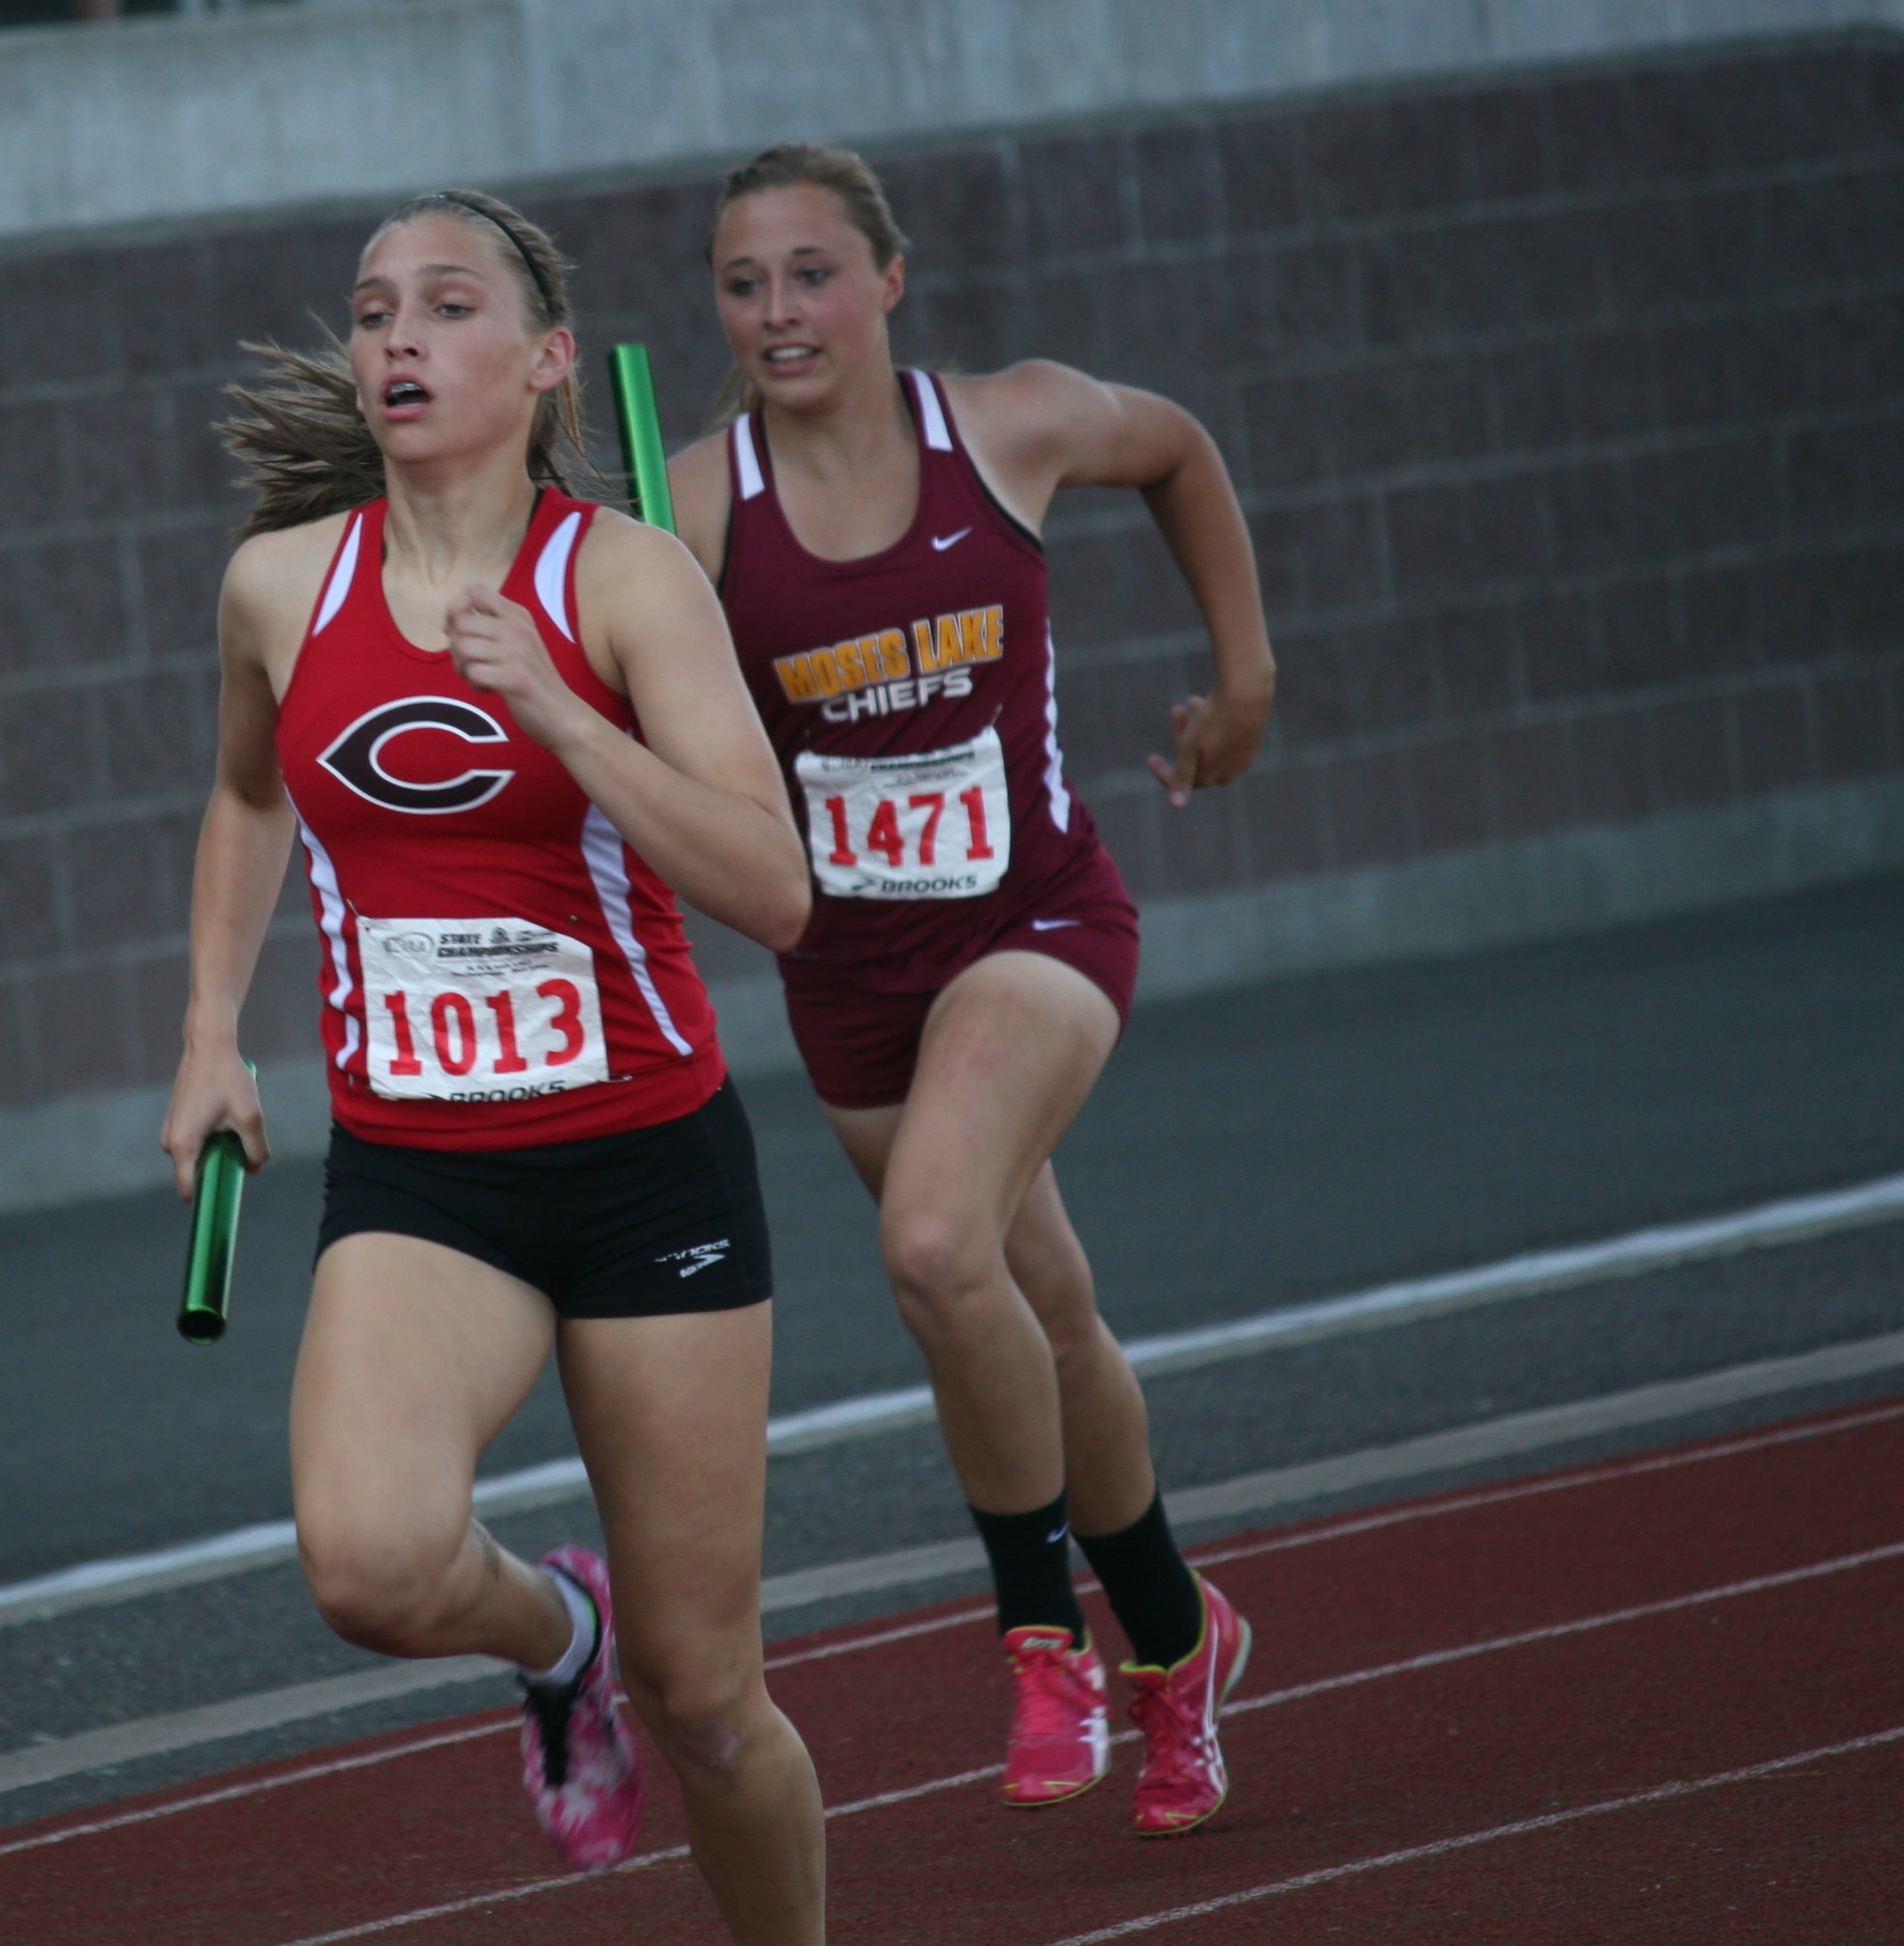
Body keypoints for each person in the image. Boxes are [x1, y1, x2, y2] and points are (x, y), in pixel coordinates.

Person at [166, 190, 826, 1941]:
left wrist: (558, 708)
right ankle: (560, 1634)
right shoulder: (278, 588)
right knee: (370, 1565)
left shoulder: (624, 581)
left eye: (446, 307)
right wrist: (210, 1036)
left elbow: (775, 889)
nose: (396, 338)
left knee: (709, 1700)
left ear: (545, 363)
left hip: (645, 1167)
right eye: (374, 308)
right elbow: (248, 796)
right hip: (423, 1174)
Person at [670, 144, 1276, 1838]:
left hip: (1039, 924)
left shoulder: (1006, 424)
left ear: (887, 279)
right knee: (1036, 1305)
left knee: (934, 1245)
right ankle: (1177, 1633)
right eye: (742, 282)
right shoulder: (697, 503)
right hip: (852, 979)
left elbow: (1181, 453)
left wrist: (1247, 677)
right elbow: (583, 644)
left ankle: (1040, 1635)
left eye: (810, 272)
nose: (778, 311)